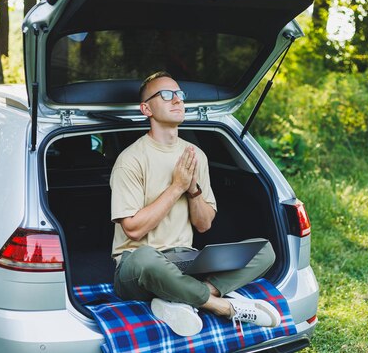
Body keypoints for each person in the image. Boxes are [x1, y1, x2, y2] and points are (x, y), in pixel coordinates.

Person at [109, 71, 281, 337]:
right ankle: (220, 306)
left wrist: (192, 190)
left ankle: (181, 297)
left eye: (179, 94)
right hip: (137, 267)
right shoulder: (130, 159)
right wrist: (176, 186)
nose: (177, 100)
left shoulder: (195, 155)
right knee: (146, 256)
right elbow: (133, 230)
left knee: (264, 250)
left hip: (185, 260)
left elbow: (204, 224)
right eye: (166, 95)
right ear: (146, 109)